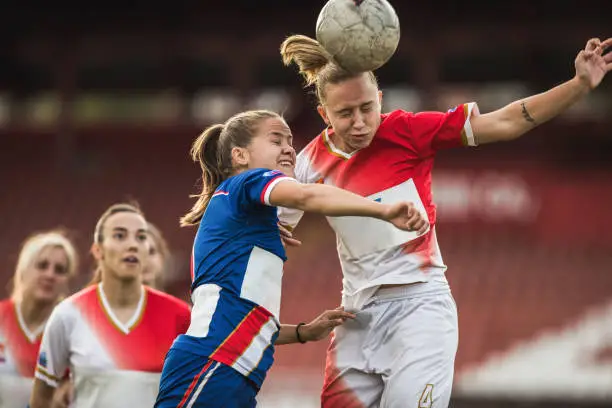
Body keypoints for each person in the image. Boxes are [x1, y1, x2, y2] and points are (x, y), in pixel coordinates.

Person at [278, 34, 611, 408]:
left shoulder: (407, 130)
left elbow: (505, 123)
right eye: (345, 113)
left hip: (420, 310)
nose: (359, 122)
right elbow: (276, 223)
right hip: (355, 319)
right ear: (325, 115)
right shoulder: (309, 163)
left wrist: (579, 85)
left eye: (366, 108)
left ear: (381, 100)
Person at [153, 109, 428, 407]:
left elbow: (241, 313)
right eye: (276, 140)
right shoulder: (248, 181)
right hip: (212, 364)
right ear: (240, 156)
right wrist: (382, 211)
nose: (288, 147)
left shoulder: (242, 218)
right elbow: (307, 196)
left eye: (290, 141)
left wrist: (301, 332)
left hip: (231, 371)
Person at [29, 203, 192, 408]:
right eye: (120, 236)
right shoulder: (68, 315)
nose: (132, 245)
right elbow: (41, 399)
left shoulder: (180, 316)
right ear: (98, 251)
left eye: (140, 237)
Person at [0, 231, 78, 408]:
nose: (50, 275)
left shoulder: (72, 332)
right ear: (23, 270)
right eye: (42, 266)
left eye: (60, 270)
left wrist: (70, 386)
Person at [142, 222, 171, 291]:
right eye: (139, 252)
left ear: (161, 258)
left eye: (151, 252)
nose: (146, 260)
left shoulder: (172, 301)